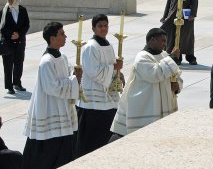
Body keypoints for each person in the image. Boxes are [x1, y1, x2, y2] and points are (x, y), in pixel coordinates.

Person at [22, 22, 81, 168]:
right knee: (47, 150)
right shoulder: (46, 61)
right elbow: (52, 88)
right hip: (49, 108)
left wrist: (75, 76)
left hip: (62, 107)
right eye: (62, 34)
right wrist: (75, 79)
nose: (65, 36)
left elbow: (66, 78)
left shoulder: (63, 57)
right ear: (52, 38)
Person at [110, 28, 182, 139]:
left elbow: (176, 75)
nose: (164, 44)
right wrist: (172, 58)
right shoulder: (142, 57)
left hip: (163, 105)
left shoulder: (164, 55)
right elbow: (154, 74)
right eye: (162, 41)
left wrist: (177, 85)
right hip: (146, 105)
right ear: (152, 40)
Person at [74, 14, 123, 158]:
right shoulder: (91, 47)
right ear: (93, 28)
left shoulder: (109, 44)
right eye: (100, 26)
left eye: (106, 25)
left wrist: (118, 74)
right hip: (93, 102)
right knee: (90, 142)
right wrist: (113, 67)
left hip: (108, 99)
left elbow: (113, 67)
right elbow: (92, 71)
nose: (103, 29)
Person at [161, 0, 198, 65]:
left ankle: (190, 57)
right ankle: (177, 57)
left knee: (186, 38)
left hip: (186, 18)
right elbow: (169, 3)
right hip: (173, 17)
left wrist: (193, 14)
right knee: (173, 37)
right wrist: (165, 16)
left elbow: (194, 2)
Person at [0, 0, 30, 94]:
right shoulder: (4, 11)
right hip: (8, 42)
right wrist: (11, 35)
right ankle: (9, 86)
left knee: (19, 63)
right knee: (8, 65)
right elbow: (2, 27)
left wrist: (19, 34)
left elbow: (27, 25)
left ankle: (17, 83)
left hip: (20, 42)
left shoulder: (22, 10)